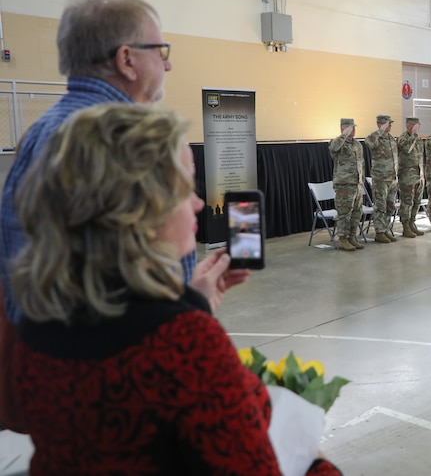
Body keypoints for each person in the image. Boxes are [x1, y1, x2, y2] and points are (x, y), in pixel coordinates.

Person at [10, 103, 342, 475]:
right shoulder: (184, 344)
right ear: (140, 209)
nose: (199, 203)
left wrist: (194, 303)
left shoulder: (37, 316)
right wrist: (313, 457)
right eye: (185, 188)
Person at [0, 0, 248, 326]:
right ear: (127, 59)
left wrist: (191, 298)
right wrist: (185, 323)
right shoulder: (121, 145)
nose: (168, 63)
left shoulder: (41, 133)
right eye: (160, 51)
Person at [329, 117, 365, 251]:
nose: (354, 130)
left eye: (354, 128)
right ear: (343, 128)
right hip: (344, 184)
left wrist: (361, 180)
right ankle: (342, 239)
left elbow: (361, 163)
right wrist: (343, 134)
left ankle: (352, 237)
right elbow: (333, 148)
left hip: (356, 183)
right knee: (344, 213)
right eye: (351, 128)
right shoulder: (337, 142)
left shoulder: (357, 144)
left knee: (357, 212)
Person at [365, 114, 399, 244]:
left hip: (392, 178)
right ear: (379, 124)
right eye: (387, 124)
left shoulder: (391, 138)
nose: (390, 126)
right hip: (380, 179)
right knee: (380, 206)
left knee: (390, 206)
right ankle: (379, 232)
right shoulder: (374, 138)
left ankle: (385, 229)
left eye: (390, 124)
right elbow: (369, 144)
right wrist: (380, 130)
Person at [397, 116, 426, 238]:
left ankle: (412, 223)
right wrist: (413, 135)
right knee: (407, 202)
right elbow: (407, 149)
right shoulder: (403, 138)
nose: (418, 128)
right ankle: (405, 226)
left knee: (416, 201)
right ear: (409, 126)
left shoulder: (418, 140)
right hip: (407, 177)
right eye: (416, 126)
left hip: (418, 175)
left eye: (418, 126)